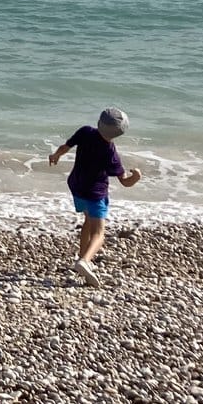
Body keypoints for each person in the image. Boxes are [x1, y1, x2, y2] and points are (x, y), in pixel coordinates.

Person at [48, 106, 142, 285]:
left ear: (99, 122)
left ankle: (81, 257)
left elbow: (65, 147)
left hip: (77, 186)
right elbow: (125, 182)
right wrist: (136, 177)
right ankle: (85, 261)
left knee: (88, 222)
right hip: (95, 194)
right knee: (99, 233)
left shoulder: (85, 132)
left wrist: (55, 156)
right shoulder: (110, 152)